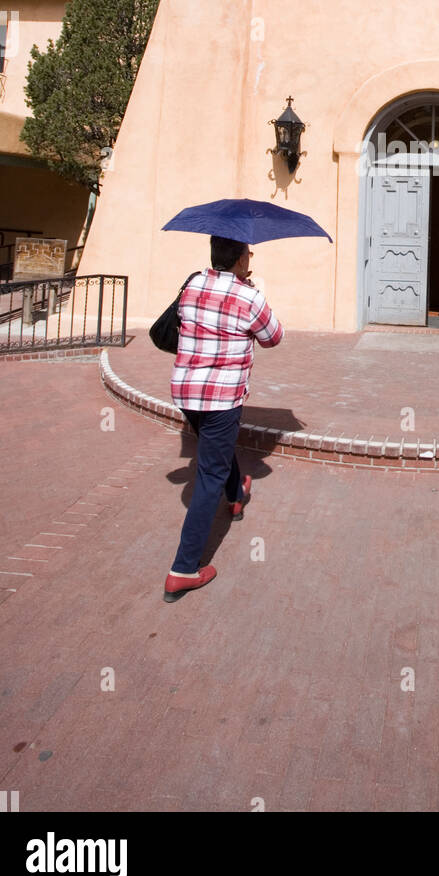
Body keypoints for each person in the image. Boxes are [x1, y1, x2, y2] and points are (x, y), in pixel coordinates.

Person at [163, 235, 283, 602]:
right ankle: (183, 569)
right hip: (221, 396)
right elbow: (273, 337)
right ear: (239, 258)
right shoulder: (249, 297)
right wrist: (255, 295)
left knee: (216, 450)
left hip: (185, 390)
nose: (251, 257)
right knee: (210, 471)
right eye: (249, 252)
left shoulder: (192, 284)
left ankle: (236, 494)